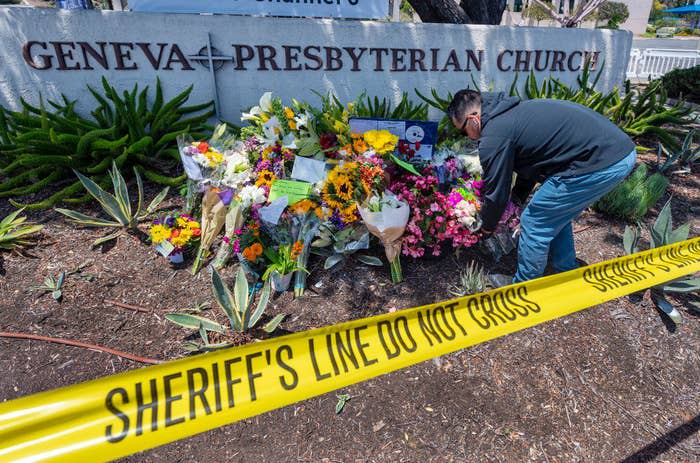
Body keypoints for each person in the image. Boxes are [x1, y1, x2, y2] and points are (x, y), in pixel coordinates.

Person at [447, 89, 636, 283]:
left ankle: (525, 287)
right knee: (554, 214)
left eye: (463, 130)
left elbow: (498, 190)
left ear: (473, 119)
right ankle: (567, 271)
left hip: (600, 161)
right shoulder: (509, 114)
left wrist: (486, 227)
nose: (467, 137)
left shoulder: (494, 135)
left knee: (534, 221)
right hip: (617, 152)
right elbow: (531, 163)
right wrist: (517, 198)